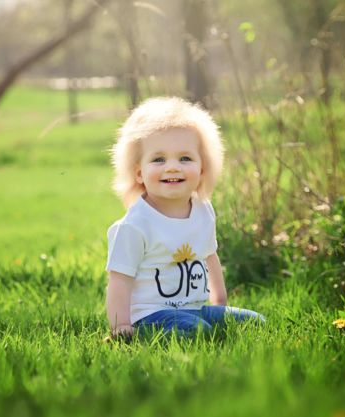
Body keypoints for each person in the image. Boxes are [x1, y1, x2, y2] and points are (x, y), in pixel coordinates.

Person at [105, 97, 265, 339]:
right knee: (198, 332)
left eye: (185, 158)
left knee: (255, 322)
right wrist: (120, 326)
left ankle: (204, 325)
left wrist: (220, 305)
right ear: (139, 173)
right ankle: (147, 334)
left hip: (197, 309)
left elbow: (210, 257)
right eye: (158, 159)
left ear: (202, 169)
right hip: (152, 314)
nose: (172, 167)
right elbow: (119, 280)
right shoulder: (136, 225)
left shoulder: (203, 210)